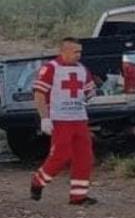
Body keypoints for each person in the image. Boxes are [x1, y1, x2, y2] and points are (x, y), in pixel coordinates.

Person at [30, 37, 97, 205]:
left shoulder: (82, 69)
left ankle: (78, 196)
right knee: (61, 155)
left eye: (80, 52)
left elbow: (89, 90)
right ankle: (38, 182)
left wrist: (90, 95)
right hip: (60, 120)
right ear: (63, 52)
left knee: (85, 157)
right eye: (75, 52)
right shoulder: (51, 68)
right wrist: (44, 118)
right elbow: (39, 94)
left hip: (79, 119)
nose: (79, 55)